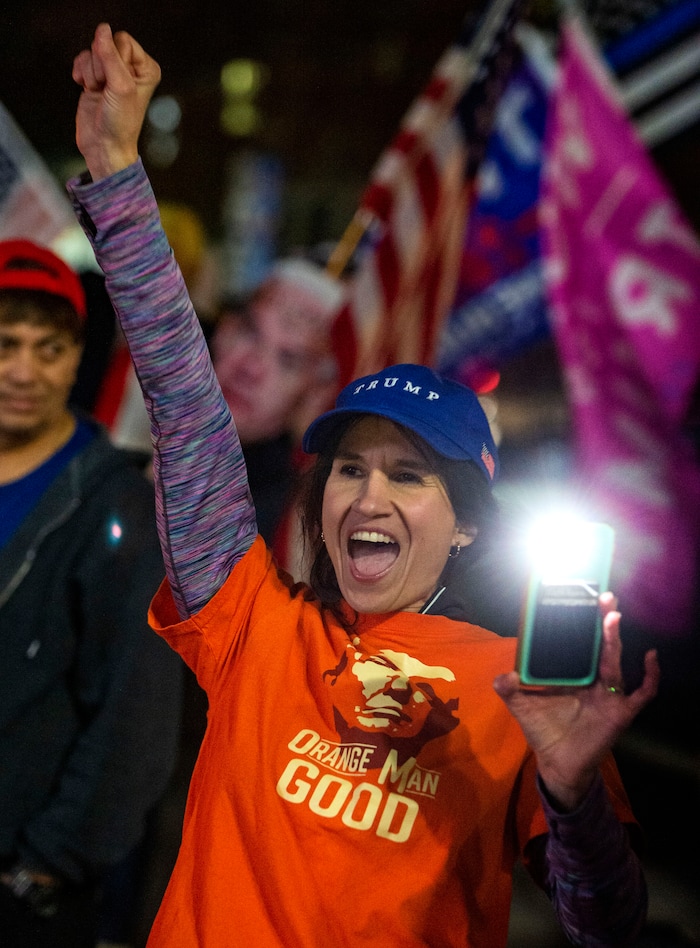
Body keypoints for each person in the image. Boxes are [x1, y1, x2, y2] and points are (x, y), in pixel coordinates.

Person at [68, 24, 660, 948]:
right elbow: (188, 410)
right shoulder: (253, 625)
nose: (366, 495)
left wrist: (574, 790)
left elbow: (607, 927)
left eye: (410, 475)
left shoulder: (525, 694)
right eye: (349, 467)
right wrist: (115, 172)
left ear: (466, 526)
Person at [0, 236, 183, 947]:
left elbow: (136, 716)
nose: (25, 370)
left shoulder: (113, 503)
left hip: (25, 891)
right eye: (7, 343)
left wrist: (44, 869)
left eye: (50, 348)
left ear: (78, 356)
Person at [211, 255, 345, 546]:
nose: (251, 368)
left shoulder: (282, 535)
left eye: (289, 360)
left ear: (316, 393)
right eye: (250, 332)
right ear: (224, 330)